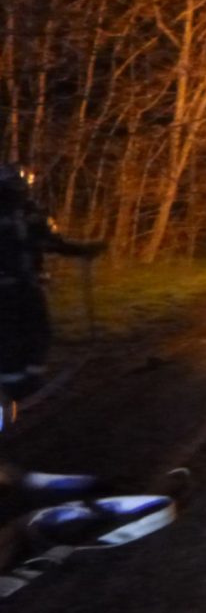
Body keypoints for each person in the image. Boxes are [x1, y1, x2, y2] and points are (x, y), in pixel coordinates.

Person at [0, 163, 105, 431]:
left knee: (38, 333)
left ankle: (28, 384)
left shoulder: (31, 211)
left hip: (28, 286)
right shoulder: (21, 212)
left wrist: (82, 250)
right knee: (10, 338)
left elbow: (51, 241)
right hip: (6, 289)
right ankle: (15, 390)